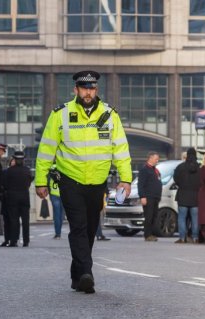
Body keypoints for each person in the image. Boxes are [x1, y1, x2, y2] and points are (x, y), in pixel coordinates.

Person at [35, 70, 132, 294]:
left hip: (97, 182)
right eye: (84, 88)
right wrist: (41, 181)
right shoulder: (60, 114)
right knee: (78, 226)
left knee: (89, 229)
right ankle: (87, 273)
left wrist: (125, 179)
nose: (88, 92)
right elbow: (46, 149)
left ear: (96, 90)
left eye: (92, 88)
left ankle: (77, 274)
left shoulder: (109, 115)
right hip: (70, 179)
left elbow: (121, 149)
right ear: (75, 90)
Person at [2, 151, 32, 247]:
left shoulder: (9, 171)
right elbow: (29, 183)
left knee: (14, 220)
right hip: (24, 197)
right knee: (25, 220)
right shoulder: (27, 170)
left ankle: (14, 240)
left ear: (14, 159)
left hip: (12, 197)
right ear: (23, 160)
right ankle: (26, 241)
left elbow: (5, 184)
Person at [173, 147, 201, 243]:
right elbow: (201, 182)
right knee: (195, 218)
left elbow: (175, 179)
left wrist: (181, 185)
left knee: (182, 217)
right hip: (195, 196)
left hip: (183, 195)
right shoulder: (199, 167)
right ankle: (195, 237)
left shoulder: (180, 167)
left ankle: (182, 237)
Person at [138, 151, 162, 242]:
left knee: (154, 216)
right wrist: (142, 196)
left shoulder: (155, 170)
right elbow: (140, 184)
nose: (157, 160)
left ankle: (151, 234)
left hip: (155, 197)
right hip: (148, 197)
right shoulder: (144, 169)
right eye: (156, 159)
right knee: (149, 216)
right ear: (150, 158)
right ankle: (147, 234)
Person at [48, 164, 64, 239]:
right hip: (63, 193)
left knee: (56, 215)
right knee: (61, 215)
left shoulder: (53, 167)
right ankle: (58, 232)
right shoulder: (64, 165)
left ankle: (58, 233)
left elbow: (48, 180)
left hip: (54, 193)